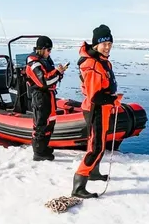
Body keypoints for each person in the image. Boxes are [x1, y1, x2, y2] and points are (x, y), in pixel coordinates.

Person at [71, 24, 122, 198]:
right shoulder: (92, 64)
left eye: (110, 43)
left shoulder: (102, 61)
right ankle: (78, 185)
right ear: (96, 44)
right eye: (104, 44)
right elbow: (94, 96)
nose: (107, 47)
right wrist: (113, 100)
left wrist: (111, 100)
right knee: (96, 147)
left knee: (99, 143)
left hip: (104, 109)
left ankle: (94, 172)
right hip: (96, 110)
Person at [25, 36, 68, 161]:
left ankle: (44, 147)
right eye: (48, 50)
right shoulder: (34, 63)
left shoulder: (46, 60)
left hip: (49, 95)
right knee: (41, 123)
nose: (50, 52)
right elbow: (44, 81)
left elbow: (51, 77)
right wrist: (57, 73)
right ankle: (38, 152)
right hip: (40, 96)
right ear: (42, 49)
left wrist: (59, 72)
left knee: (50, 122)